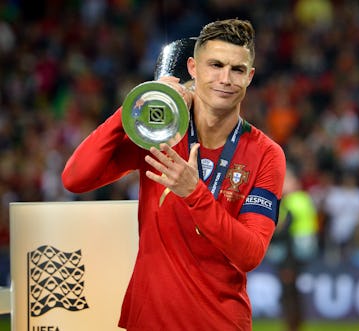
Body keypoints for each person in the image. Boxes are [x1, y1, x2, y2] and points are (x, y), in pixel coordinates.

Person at [62, 18, 286, 331]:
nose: (225, 79)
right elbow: (75, 178)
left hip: (220, 323)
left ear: (249, 77)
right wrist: (136, 104)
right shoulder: (159, 133)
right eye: (215, 65)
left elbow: (250, 253)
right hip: (149, 321)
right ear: (193, 68)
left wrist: (194, 193)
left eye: (237, 70)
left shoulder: (266, 154)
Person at [267, 165, 318, 331]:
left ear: (295, 182)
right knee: (293, 292)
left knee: (288, 293)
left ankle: (292, 325)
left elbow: (285, 230)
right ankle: (296, 324)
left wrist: (266, 238)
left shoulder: (291, 202)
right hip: (304, 250)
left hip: (291, 255)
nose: (282, 185)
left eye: (286, 181)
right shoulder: (305, 199)